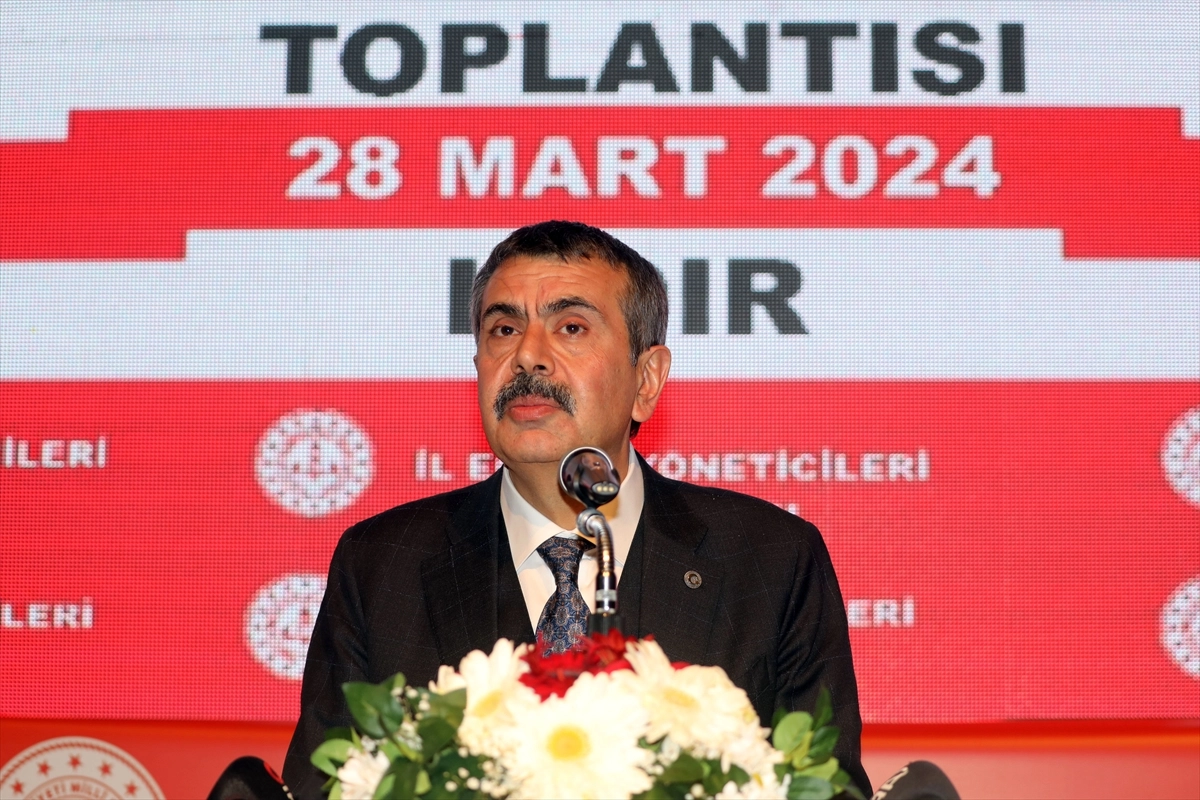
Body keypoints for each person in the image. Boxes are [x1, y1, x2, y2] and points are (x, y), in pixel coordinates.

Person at [281, 221, 871, 798]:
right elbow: (322, 784)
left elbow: (824, 788)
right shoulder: (383, 565)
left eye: (570, 327)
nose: (528, 357)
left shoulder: (769, 560)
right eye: (504, 329)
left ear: (647, 380)